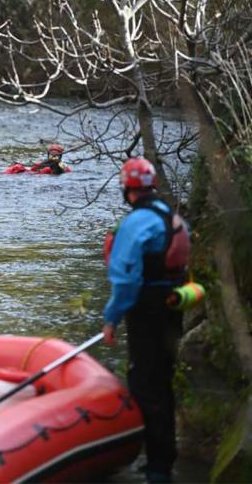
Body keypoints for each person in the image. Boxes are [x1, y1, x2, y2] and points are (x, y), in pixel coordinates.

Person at [102, 157, 191, 484]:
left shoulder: (137, 223)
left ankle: (155, 469)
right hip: (172, 308)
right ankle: (161, 459)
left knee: (146, 384)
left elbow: (125, 280)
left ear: (128, 188)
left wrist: (111, 319)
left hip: (147, 311)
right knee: (162, 383)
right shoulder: (173, 217)